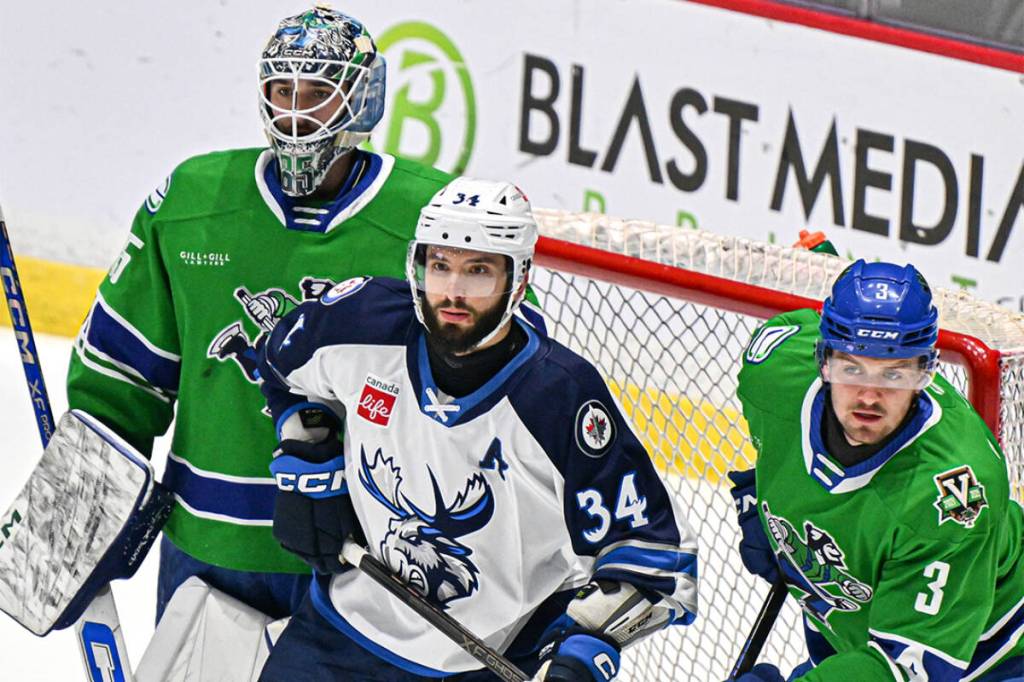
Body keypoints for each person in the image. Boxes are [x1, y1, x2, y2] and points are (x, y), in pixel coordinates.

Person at [65, 6, 455, 622]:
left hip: (369, 560)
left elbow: (493, 382)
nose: (295, 113)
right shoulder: (194, 201)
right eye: (282, 90)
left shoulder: (433, 218)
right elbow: (117, 381)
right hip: (210, 548)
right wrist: (75, 515)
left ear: (363, 99)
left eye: (319, 92)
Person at [256, 177, 699, 680]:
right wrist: (307, 446)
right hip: (339, 632)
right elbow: (276, 366)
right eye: (439, 266)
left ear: (520, 280)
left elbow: (657, 557)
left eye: (479, 271)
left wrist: (588, 642)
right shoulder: (358, 324)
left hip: (485, 661)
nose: (454, 292)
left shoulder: (559, 396)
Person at [727, 260, 1024, 681]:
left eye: (894, 374)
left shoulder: (951, 494)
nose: (870, 396)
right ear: (822, 359)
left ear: (925, 372)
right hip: (850, 628)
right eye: (852, 368)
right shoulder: (774, 374)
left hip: (995, 652)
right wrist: (764, 492)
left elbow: (908, 669)